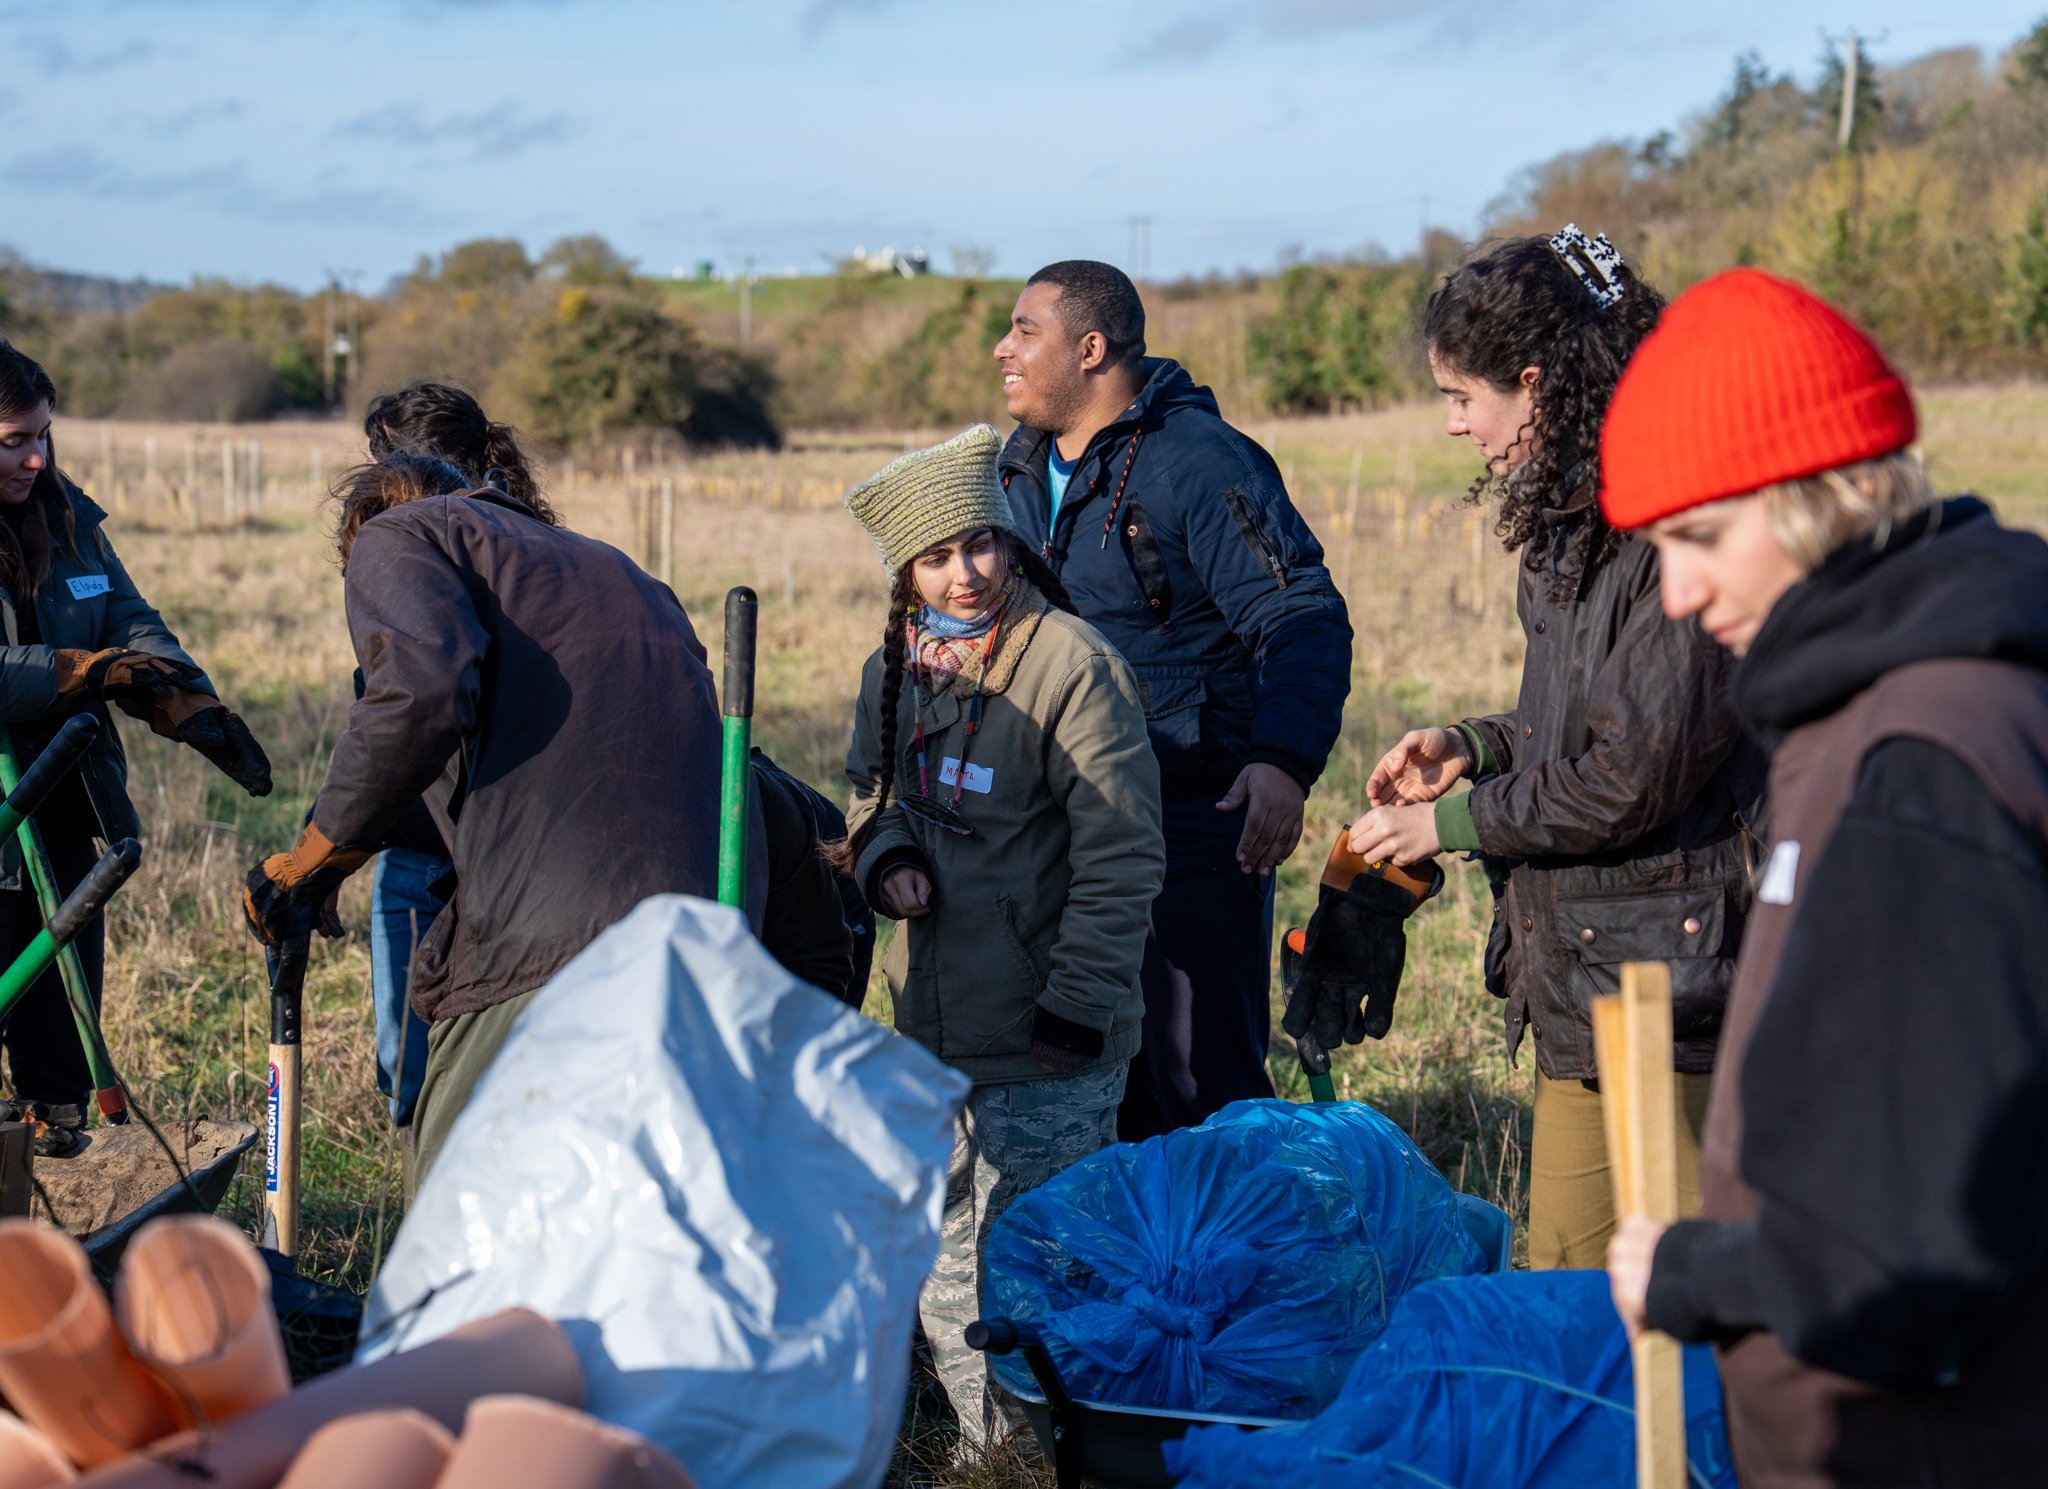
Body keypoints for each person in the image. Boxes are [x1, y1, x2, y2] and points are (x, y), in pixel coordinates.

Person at [1602, 268, 2048, 1486]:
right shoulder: (1868, 711)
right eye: (1655, 548)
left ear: (1830, 488)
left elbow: (1911, 1253)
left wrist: (1694, 1271)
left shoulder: (1921, 756)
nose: (1679, 595)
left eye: (1697, 536)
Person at [1344, 230, 1760, 1269]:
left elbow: (1632, 774)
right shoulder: (1569, 520)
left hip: (1677, 983)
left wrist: (1442, 823)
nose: (1450, 425)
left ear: (1531, 383)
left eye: (1459, 396)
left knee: (1674, 1296)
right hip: (1585, 969)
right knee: (1567, 1280)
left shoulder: (1670, 523)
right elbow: (1580, 727)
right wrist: (1472, 748)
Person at [242, 453, 742, 1185]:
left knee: (454, 1220)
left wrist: (314, 853)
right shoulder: (621, 573)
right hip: (699, 947)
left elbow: (422, 691)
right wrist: (350, 850)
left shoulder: (398, 535)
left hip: (547, 943)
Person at [839, 424, 1163, 1445]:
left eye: (981, 542)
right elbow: (866, 794)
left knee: (1046, 1252)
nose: (965, 572)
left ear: (1010, 538)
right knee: (942, 1233)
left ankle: (1054, 1447)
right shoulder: (896, 667)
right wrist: (884, 852)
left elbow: (1121, 853)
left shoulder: (1073, 665)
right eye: (936, 556)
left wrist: (1074, 1003)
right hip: (932, 1019)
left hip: (1045, 1028)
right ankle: (981, 1438)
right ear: (906, 572)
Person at [992, 260, 1351, 1140]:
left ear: (1090, 348)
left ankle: (1239, 1269)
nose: (1003, 349)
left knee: (1200, 1080)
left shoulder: (1200, 461)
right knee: (1080, 1074)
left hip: (1193, 816)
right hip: (1058, 823)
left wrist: (1282, 762)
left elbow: (1302, 614)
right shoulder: (1013, 466)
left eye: (1023, 330)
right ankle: (1122, 1271)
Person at [0, 340, 269, 1154]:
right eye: (12, 438)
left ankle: (57, 1142)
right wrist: (82, 669)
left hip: (64, 782)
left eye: (43, 435)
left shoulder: (65, 513)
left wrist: (177, 690)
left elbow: (124, 609)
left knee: (63, 977)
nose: (36, 456)